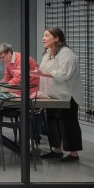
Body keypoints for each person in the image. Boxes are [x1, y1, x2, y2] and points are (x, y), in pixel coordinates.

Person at [31, 27, 84, 162]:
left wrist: (41, 73)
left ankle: (74, 154)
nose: (43, 38)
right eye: (43, 36)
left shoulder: (66, 53)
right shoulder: (47, 53)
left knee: (68, 124)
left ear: (56, 38)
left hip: (66, 95)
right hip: (51, 95)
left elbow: (64, 73)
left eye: (47, 36)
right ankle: (56, 150)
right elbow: (42, 71)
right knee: (52, 122)